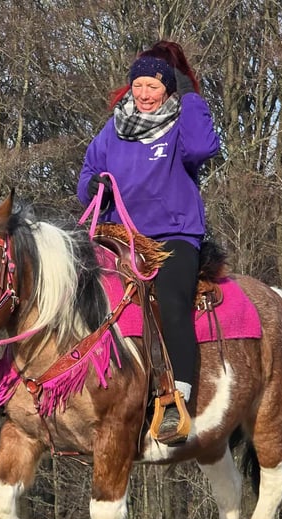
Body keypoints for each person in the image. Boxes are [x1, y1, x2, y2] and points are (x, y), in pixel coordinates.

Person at [76, 41, 220, 443]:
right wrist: (93, 187)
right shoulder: (113, 128)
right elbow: (86, 174)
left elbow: (203, 148)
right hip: (118, 237)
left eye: (152, 86)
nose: (143, 94)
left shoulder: (180, 123)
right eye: (138, 85)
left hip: (172, 235)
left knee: (171, 302)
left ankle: (178, 399)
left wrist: (190, 98)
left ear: (167, 89)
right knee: (73, 288)